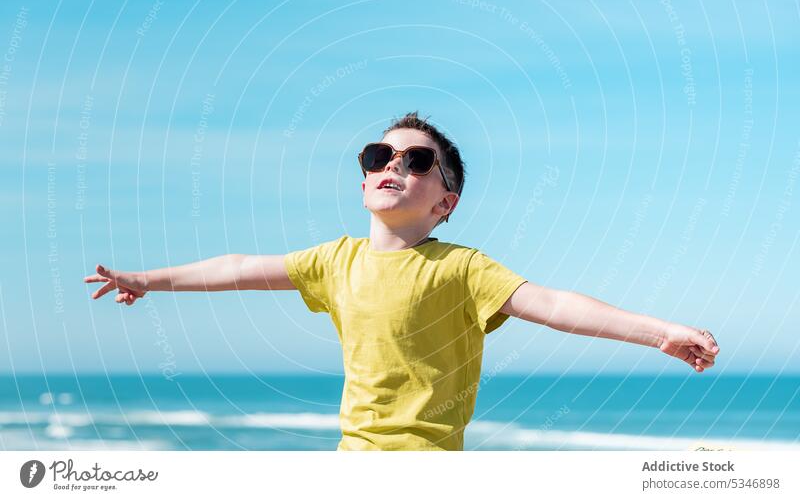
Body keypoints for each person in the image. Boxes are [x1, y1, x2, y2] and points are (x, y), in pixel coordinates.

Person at [84, 111, 720, 451]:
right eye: (379, 156)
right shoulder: (335, 261)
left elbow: (554, 304)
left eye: (417, 161)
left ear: (446, 202)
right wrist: (147, 278)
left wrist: (659, 331)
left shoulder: (462, 269)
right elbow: (239, 269)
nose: (393, 165)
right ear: (363, 180)